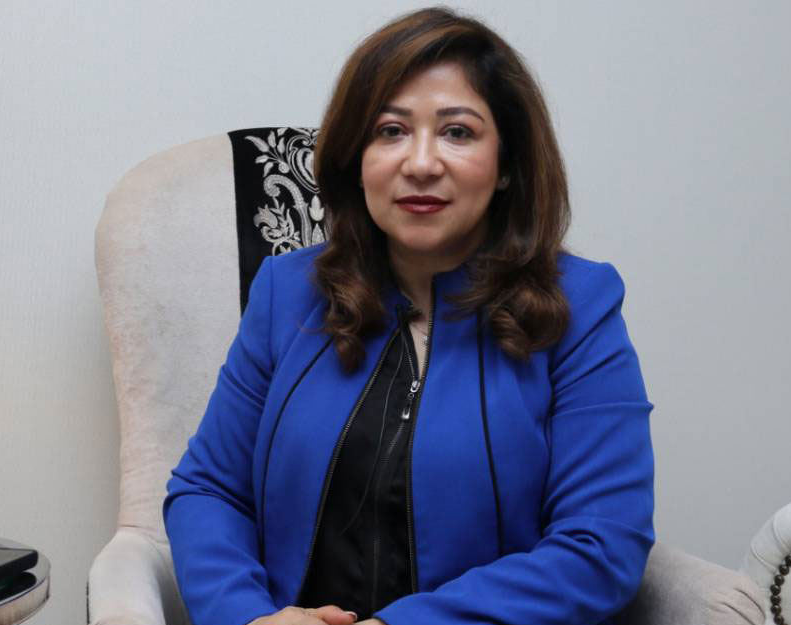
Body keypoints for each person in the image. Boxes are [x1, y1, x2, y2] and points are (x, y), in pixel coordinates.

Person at [163, 7, 655, 625]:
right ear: (357, 157)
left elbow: (601, 544)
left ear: (506, 164)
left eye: (458, 132)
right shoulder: (286, 292)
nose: (420, 163)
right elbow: (208, 489)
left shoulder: (579, 306)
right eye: (391, 131)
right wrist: (250, 617)